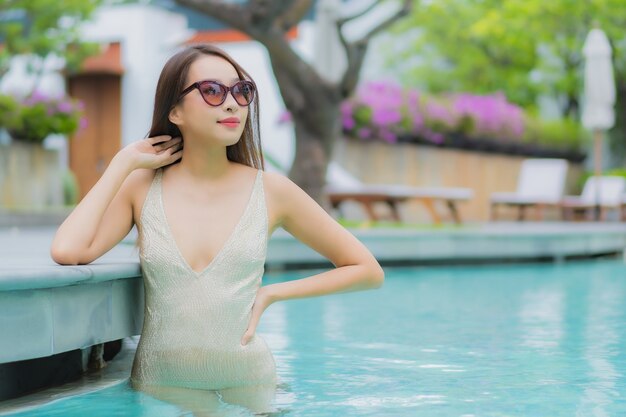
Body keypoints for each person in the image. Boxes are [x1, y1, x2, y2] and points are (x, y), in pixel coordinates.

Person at [50, 44, 384, 415]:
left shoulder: (271, 190)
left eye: (242, 91)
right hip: (161, 388)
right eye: (212, 91)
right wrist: (122, 163)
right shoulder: (141, 186)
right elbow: (68, 250)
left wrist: (272, 294)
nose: (232, 104)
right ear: (174, 111)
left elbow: (367, 270)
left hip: (249, 384)